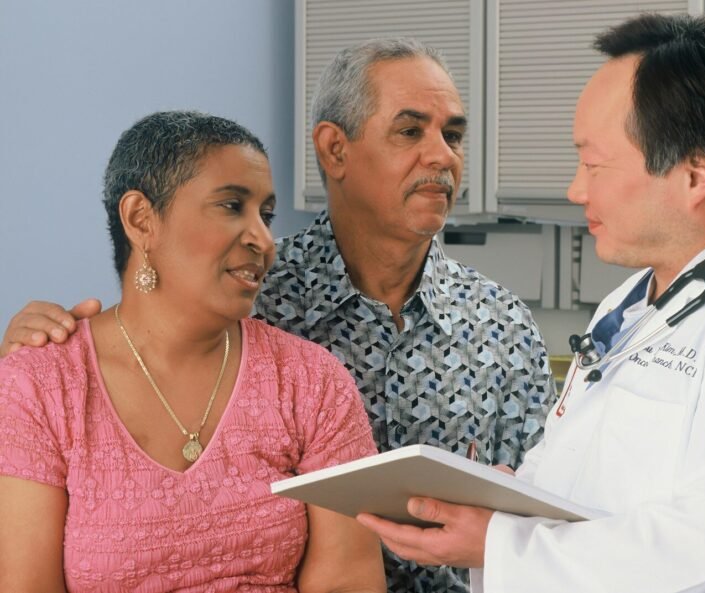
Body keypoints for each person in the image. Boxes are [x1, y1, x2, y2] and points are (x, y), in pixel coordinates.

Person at [355, 14, 705, 593]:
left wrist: (500, 542)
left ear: (694, 175)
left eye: (594, 163)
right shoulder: (640, 296)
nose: (576, 189)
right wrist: (512, 502)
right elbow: (594, 468)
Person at [0, 38, 554, 593]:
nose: (442, 156)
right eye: (410, 131)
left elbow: (547, 520)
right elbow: (146, 326)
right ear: (334, 150)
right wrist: (28, 362)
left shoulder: (500, 326)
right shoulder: (245, 291)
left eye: (453, 136)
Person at [0, 111, 386, 593]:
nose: (263, 240)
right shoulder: (40, 386)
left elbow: (347, 582)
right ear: (142, 219)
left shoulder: (312, 382)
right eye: (231, 206)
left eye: (266, 216)